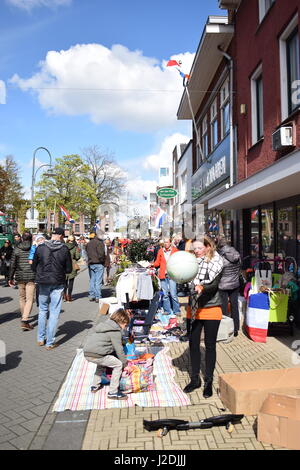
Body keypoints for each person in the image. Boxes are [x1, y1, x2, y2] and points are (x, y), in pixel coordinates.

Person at [183, 235, 224, 398]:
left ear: (208, 247)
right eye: (195, 249)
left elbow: (214, 285)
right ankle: (195, 380)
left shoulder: (217, 262)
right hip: (193, 307)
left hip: (211, 307)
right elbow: (185, 279)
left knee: (210, 346)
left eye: (199, 248)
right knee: (193, 344)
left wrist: (202, 287)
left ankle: (208, 381)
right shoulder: (191, 262)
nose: (197, 252)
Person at [32, 227, 72, 350]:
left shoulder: (41, 247)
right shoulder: (64, 249)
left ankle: (40, 338)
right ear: (60, 236)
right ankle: (49, 342)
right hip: (58, 282)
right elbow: (68, 269)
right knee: (54, 312)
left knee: (43, 310)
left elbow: (33, 266)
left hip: (43, 281)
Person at [83, 308, 130, 400]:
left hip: (88, 353)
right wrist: (125, 363)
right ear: (122, 321)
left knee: (101, 364)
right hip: (98, 354)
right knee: (118, 365)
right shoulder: (115, 331)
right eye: (125, 325)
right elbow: (119, 350)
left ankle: (95, 385)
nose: (125, 327)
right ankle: (113, 392)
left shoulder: (104, 326)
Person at [8, 232, 36, 331]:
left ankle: (24, 318)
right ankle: (25, 320)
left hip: (20, 276)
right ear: (31, 238)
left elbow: (12, 265)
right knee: (30, 299)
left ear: (22, 238)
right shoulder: (34, 249)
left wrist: (10, 278)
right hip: (31, 276)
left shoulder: (17, 249)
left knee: (22, 297)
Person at [217, 237, 242, 337]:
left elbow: (218, 270)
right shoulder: (236, 254)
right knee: (234, 306)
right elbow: (240, 266)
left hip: (223, 285)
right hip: (235, 284)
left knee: (223, 307)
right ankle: (235, 329)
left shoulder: (220, 256)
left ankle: (225, 329)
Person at [152, 237, 181, 316]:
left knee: (173, 294)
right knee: (165, 294)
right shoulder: (160, 251)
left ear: (170, 243)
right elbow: (157, 263)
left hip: (172, 275)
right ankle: (167, 310)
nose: (166, 244)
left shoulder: (175, 251)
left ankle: (176, 310)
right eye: (164, 242)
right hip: (163, 274)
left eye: (167, 242)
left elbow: (179, 262)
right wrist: (151, 264)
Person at [86, 232, 105, 302]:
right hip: (98, 263)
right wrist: (102, 261)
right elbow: (101, 254)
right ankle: (98, 296)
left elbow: (87, 252)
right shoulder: (99, 243)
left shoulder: (89, 243)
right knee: (98, 281)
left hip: (91, 263)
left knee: (92, 280)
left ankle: (91, 295)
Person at [64, 235, 81, 302]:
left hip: (64, 265)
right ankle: (69, 296)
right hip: (72, 264)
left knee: (64, 281)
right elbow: (77, 257)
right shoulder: (75, 247)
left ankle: (64, 294)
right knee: (71, 281)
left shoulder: (63, 246)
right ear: (74, 240)